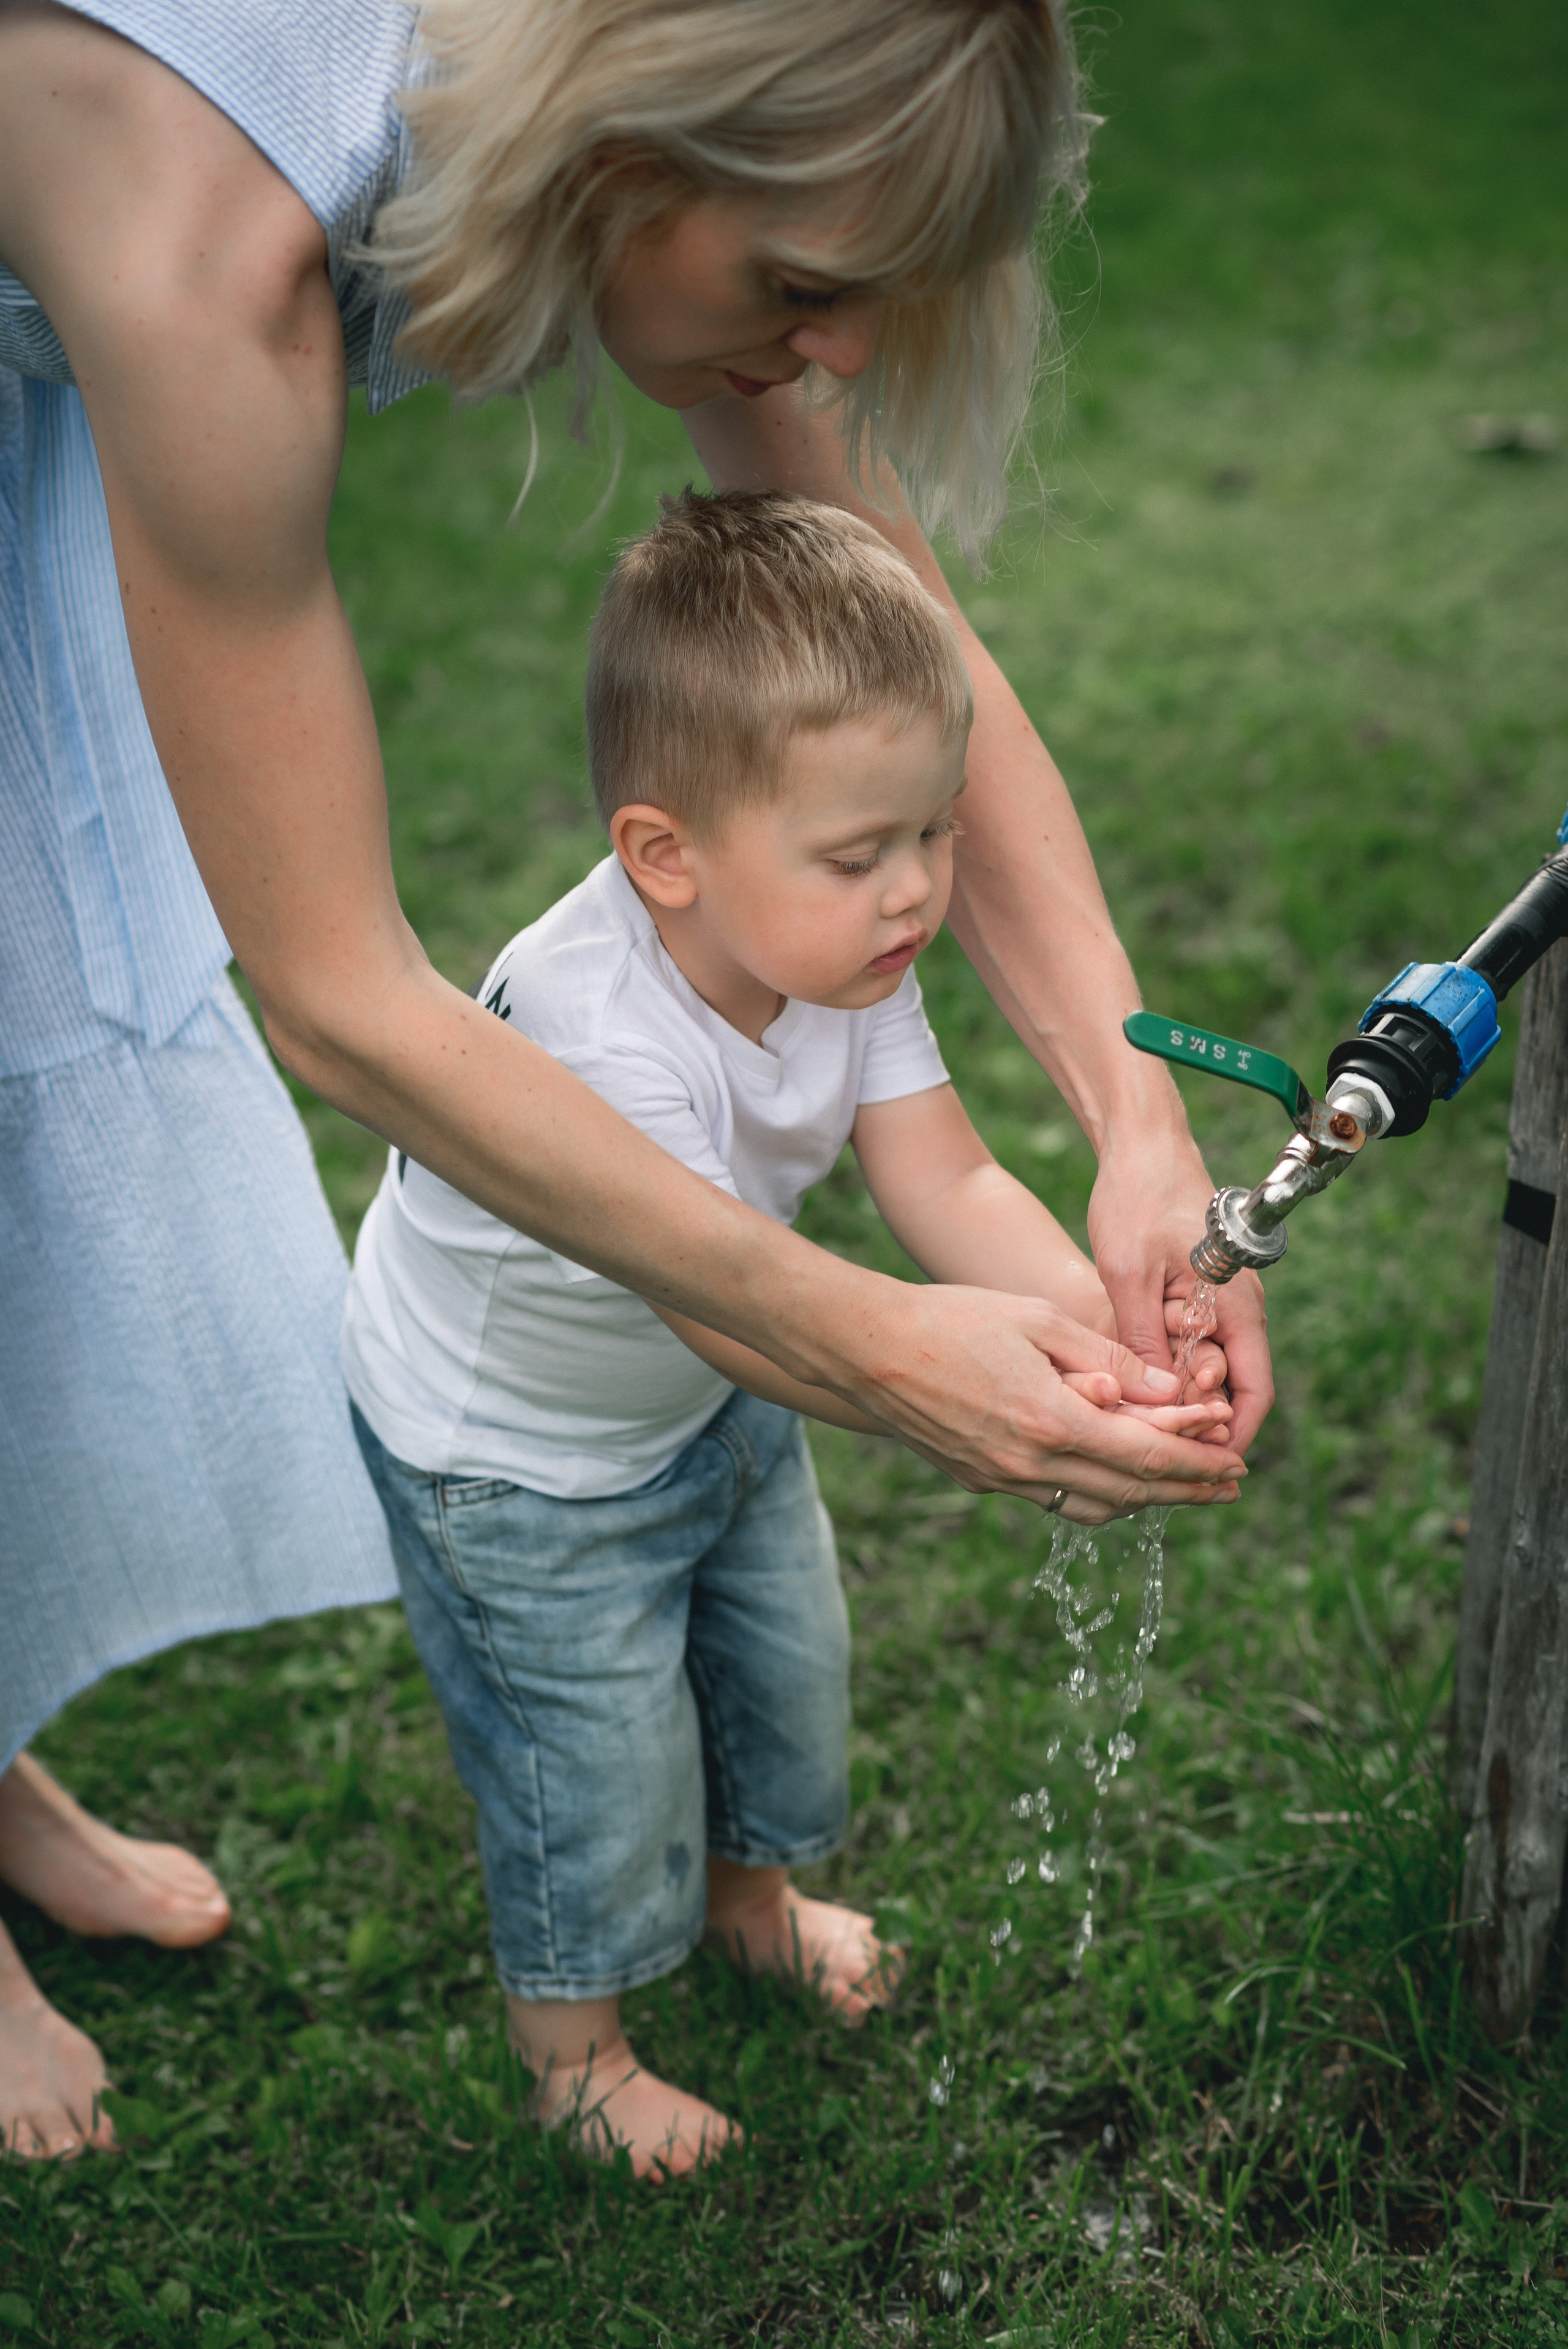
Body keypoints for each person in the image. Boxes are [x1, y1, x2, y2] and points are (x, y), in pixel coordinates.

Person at [0, 0, 1265, 2160]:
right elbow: (343, 994)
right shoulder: (213, 244)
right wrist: (876, 1348)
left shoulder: (695, 162)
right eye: (802, 292)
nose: (844, 358)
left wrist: (1138, 1117)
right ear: (622, 155)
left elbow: (907, 646)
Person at [346, 489, 1238, 2176]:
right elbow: (736, 1300)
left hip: (724, 1383)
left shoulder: (839, 948)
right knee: (590, 1753)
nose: (914, 895)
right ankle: (578, 2050)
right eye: (859, 854)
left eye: (931, 836)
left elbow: (949, 1174)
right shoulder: (602, 1029)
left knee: (780, 1671)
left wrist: (1112, 1339)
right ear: (664, 853)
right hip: (518, 1456)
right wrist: (986, 1384)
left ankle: (751, 1901)